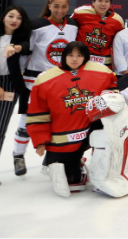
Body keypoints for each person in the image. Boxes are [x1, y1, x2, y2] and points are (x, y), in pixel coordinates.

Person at [26, 42, 117, 197]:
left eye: (79, 55)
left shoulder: (102, 72)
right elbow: (38, 112)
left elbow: (113, 97)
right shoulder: (45, 79)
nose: (74, 59)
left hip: (91, 129)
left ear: (85, 57)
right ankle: (62, 162)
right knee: (72, 181)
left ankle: (101, 167)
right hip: (62, 138)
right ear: (64, 56)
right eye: (70, 55)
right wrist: (40, 140)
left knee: (104, 138)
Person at [13, 0, 77, 175]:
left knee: (57, 122)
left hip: (59, 82)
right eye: (56, 6)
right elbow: (26, 51)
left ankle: (50, 158)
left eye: (64, 6)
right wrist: (19, 74)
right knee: (27, 121)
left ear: (68, 7)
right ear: (49, 6)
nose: (60, 10)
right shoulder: (37, 25)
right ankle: (18, 155)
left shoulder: (73, 25)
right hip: (34, 81)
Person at [0, 6, 31, 182]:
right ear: (3, 17)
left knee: (0, 128)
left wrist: (16, 47)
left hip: (11, 84)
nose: (14, 20)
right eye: (11, 16)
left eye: (18, 18)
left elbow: (26, 47)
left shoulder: (22, 38)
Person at [72, 0, 125, 68]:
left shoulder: (118, 21)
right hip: (81, 61)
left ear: (110, 3)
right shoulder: (80, 12)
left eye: (106, 1)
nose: (103, 4)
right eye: (100, 0)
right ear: (93, 2)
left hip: (104, 64)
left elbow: (119, 44)